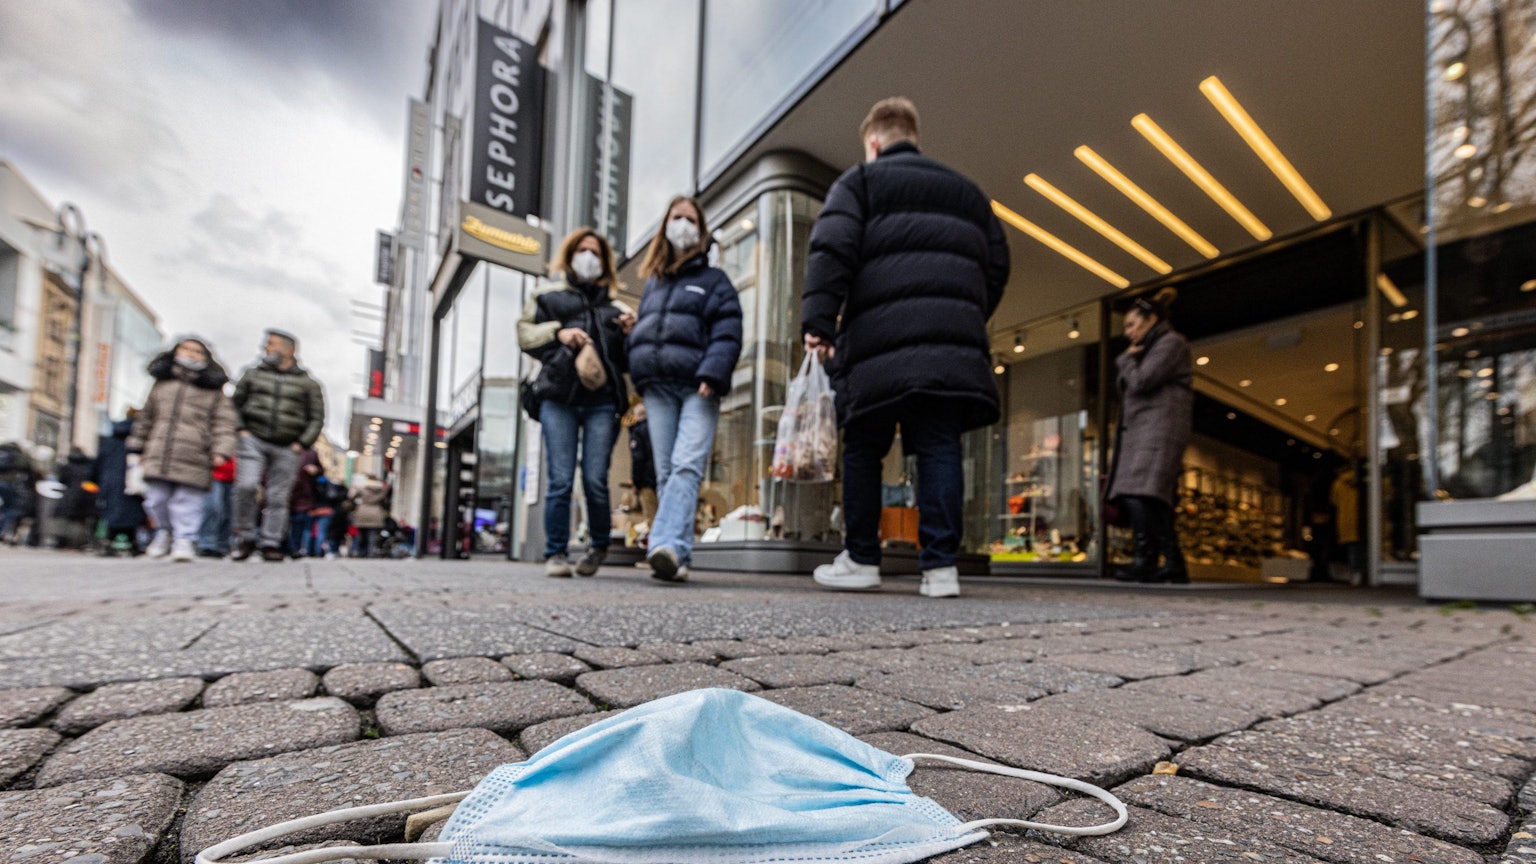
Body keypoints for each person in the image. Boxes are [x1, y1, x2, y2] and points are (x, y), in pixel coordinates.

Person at [801, 97, 1009, 599]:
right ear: (913, 136)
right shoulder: (967, 194)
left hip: (875, 342)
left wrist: (819, 322)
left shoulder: (861, 181)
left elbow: (832, 248)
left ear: (873, 142)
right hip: (946, 345)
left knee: (866, 446)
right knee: (939, 444)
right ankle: (940, 569)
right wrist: (962, 314)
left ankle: (864, 559)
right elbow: (998, 265)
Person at [625, 196, 743, 582]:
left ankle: (664, 544)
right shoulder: (654, 285)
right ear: (665, 226)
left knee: (687, 465)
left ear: (701, 230)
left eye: (690, 219)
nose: (683, 224)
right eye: (676, 217)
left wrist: (714, 372)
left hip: (698, 385)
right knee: (665, 472)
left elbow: (728, 330)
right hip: (658, 388)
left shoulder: (715, 281)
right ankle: (679, 555)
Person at [517, 228, 634, 577]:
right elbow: (524, 335)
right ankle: (556, 552)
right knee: (561, 478)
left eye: (596, 253)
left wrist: (631, 335)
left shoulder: (616, 309)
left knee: (596, 478)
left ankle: (598, 546)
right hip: (559, 397)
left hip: (602, 402)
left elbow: (628, 362)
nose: (589, 257)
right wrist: (558, 333)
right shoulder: (546, 296)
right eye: (583, 250)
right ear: (570, 256)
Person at [1106, 287, 1194, 584]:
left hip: (1159, 430)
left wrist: (1127, 360)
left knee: (1140, 493)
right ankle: (1172, 562)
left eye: (1132, 324)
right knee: (1151, 497)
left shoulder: (1171, 343)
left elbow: (1142, 382)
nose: (1128, 332)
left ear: (1151, 319)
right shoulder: (1150, 348)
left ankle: (1146, 559)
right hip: (1146, 431)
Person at [127, 336, 240, 562]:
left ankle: (184, 539)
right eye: (186, 349)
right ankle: (164, 532)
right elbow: (146, 417)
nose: (190, 354)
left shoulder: (214, 391)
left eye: (197, 351)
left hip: (195, 452)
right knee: (155, 499)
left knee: (188, 501)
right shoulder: (162, 384)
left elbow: (224, 423)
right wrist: (137, 445)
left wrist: (221, 450)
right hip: (159, 450)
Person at [230, 328, 325, 562]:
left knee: (279, 496)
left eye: (271, 344)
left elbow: (317, 417)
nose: (266, 348)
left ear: (289, 350)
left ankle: (270, 542)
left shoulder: (308, 384)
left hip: (288, 445)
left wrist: (301, 443)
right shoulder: (252, 375)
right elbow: (234, 404)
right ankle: (246, 536)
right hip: (253, 438)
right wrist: (241, 430)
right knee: (246, 486)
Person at [92, 411, 146, 555]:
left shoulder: (109, 441)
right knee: (131, 514)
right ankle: (133, 543)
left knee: (111, 514)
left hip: (109, 483)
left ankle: (108, 543)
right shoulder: (139, 441)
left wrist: (94, 480)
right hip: (132, 483)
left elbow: (96, 464)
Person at [625, 397, 657, 537]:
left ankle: (655, 551)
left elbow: (638, 458)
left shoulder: (637, 432)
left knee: (652, 518)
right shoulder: (659, 429)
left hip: (646, 482)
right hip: (662, 479)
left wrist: (636, 481)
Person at [197, 454, 236, 558]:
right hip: (214, 474)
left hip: (235, 476)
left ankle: (222, 545)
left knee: (229, 513)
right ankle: (206, 544)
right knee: (213, 508)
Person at [287, 447, 322, 558]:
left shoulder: (310, 453)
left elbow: (321, 471)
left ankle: (295, 548)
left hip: (303, 495)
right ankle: (284, 547)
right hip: (285, 492)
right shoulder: (282, 447)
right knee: (283, 522)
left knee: (299, 523)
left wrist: (315, 470)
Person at [349, 474, 389, 558]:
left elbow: (351, 497)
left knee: (361, 535)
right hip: (376, 512)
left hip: (362, 512)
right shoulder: (381, 490)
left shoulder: (362, 489)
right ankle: (371, 553)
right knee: (372, 535)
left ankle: (360, 552)